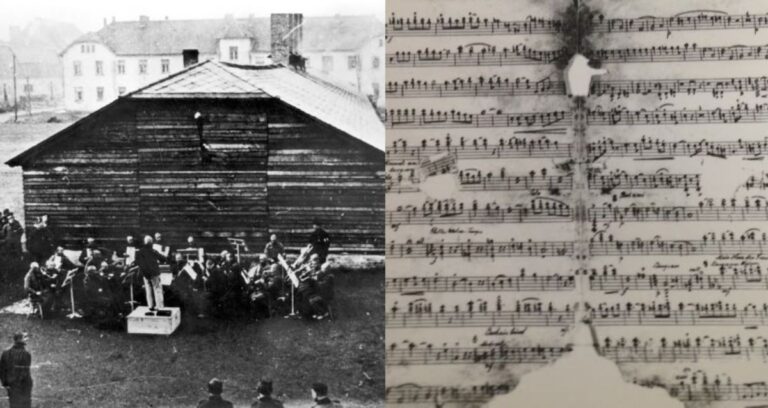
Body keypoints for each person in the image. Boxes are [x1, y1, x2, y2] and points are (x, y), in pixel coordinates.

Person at [0, 332, 32, 408]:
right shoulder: (26, 354)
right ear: (19, 339)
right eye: (25, 337)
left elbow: (1, 370)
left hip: (10, 384)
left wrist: (5, 383)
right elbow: (25, 372)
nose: (27, 339)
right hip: (23, 386)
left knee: (13, 404)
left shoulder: (5, 353)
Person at [136, 235, 164, 313]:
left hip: (145, 273)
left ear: (144, 242)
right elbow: (163, 259)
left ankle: (150, 306)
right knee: (157, 289)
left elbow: (138, 262)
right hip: (154, 273)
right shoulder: (153, 251)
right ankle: (159, 307)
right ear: (152, 242)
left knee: (148, 289)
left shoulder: (140, 252)